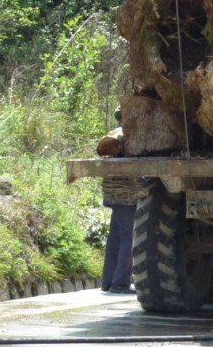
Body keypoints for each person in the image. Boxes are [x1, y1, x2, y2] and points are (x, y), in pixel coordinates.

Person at [97, 109, 138, 295]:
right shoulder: (127, 137)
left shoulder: (112, 135)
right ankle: (120, 283)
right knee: (129, 238)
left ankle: (108, 282)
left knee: (115, 238)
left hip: (114, 194)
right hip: (126, 195)